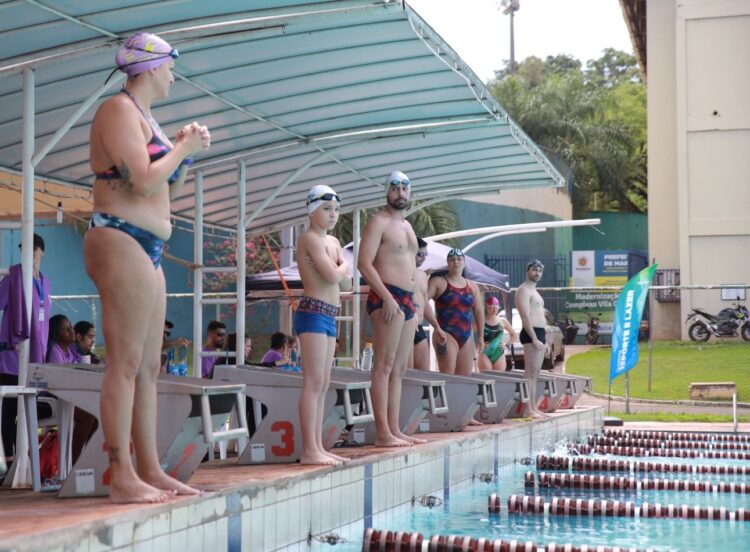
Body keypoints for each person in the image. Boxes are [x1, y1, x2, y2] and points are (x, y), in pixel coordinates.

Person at [84, 31, 210, 503]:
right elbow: (138, 182)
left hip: (149, 248)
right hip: (119, 237)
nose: (174, 74)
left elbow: (161, 190)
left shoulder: (147, 118)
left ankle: (151, 468)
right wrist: (184, 150)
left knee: (150, 367)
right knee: (125, 362)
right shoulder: (116, 110)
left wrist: (178, 149)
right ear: (152, 68)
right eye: (171, 65)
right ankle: (121, 474)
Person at [358, 171, 425, 447]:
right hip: (387, 296)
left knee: (399, 369)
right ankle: (382, 432)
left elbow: (411, 267)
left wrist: (417, 303)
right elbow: (364, 263)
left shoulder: (408, 227)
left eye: (405, 188)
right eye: (395, 188)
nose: (400, 192)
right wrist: (386, 297)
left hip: (408, 301)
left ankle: (395, 429)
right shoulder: (378, 222)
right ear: (386, 192)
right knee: (383, 366)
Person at [295, 184, 352, 465]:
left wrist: (341, 268)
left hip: (330, 313)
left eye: (336, 210)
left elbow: (348, 283)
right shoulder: (309, 239)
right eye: (327, 209)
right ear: (312, 210)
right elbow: (334, 275)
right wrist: (342, 266)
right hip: (313, 312)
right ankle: (309, 450)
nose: (333, 215)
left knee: (325, 382)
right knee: (313, 381)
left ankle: (317, 446)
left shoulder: (334, 243)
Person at [0, 233, 51, 462]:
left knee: (31, 407)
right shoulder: (14, 276)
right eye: (24, 249)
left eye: (33, 249)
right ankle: (11, 459)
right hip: (13, 354)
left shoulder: (45, 281)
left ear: (42, 252)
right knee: (10, 408)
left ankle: (29, 456)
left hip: (36, 355)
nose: (28, 253)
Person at [427, 249, 484, 376]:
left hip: (466, 335)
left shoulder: (472, 286)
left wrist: (481, 336)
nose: (456, 262)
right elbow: (422, 301)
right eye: (452, 260)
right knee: (447, 375)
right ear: (448, 263)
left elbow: (479, 311)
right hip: (446, 333)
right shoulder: (439, 282)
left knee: (464, 378)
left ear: (464, 263)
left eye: (459, 259)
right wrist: (435, 326)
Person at [514, 259, 549, 418]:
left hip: (539, 333)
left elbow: (540, 315)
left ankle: (533, 407)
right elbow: (525, 316)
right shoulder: (523, 290)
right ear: (527, 271)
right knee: (529, 373)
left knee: (535, 373)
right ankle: (527, 409)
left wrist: (545, 340)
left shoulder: (535, 292)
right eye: (534, 270)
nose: (537, 273)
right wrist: (534, 338)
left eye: (540, 271)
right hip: (530, 333)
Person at [411, 238, 446, 371]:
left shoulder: (421, 275)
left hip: (418, 327)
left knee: (422, 373)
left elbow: (425, 304)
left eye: (426, 255)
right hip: (405, 326)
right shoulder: (398, 273)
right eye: (420, 254)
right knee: (404, 374)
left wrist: (437, 327)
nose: (424, 258)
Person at [478, 296, 516, 372]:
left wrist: (507, 345)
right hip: (485, 352)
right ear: (487, 307)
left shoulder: (503, 321)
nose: (494, 309)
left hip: (499, 353)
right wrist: (479, 343)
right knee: (487, 377)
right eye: (491, 307)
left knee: (499, 378)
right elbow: (469, 333)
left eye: (496, 307)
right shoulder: (481, 321)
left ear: (498, 308)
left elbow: (514, 335)